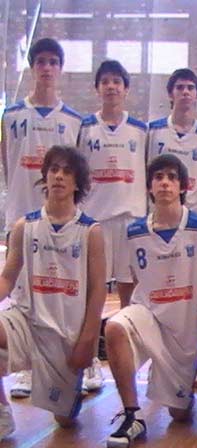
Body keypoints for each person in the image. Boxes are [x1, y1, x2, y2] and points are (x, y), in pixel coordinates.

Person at [104, 154, 197, 448]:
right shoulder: (134, 232)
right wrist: (127, 325)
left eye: (172, 177)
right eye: (158, 177)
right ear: (149, 186)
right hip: (148, 316)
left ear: (183, 186)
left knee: (180, 416)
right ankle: (133, 415)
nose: (165, 182)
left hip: (183, 331)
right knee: (115, 327)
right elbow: (127, 280)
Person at [0, 145, 106, 440]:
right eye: (54, 170)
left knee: (65, 421)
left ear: (77, 183)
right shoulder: (25, 226)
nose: (59, 176)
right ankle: (2, 414)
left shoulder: (90, 231)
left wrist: (88, 341)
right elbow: (7, 277)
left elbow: (98, 291)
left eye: (67, 171)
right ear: (45, 176)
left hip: (66, 333)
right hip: (27, 320)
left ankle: (73, 386)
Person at [1, 37, 83, 399]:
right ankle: (23, 365)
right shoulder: (11, 115)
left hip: (62, 220)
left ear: (60, 69)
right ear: (32, 67)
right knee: (22, 292)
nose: (47, 68)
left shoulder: (74, 120)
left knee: (63, 289)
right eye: (41, 62)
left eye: (53, 62)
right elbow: (7, 162)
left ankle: (79, 357)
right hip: (22, 216)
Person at [79, 59, 147, 310]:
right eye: (105, 82)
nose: (111, 86)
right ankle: (93, 331)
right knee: (94, 285)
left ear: (126, 89)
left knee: (130, 285)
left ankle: (126, 329)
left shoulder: (140, 130)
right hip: (96, 217)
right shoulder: (85, 127)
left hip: (130, 217)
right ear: (97, 89)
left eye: (117, 82)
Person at [148, 68, 197, 217]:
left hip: (194, 214)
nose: (185, 92)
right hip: (158, 212)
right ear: (170, 94)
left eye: (190, 88)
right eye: (179, 87)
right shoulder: (152, 130)